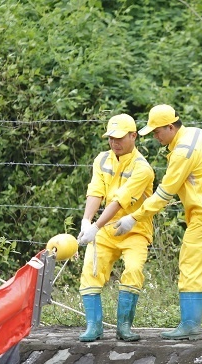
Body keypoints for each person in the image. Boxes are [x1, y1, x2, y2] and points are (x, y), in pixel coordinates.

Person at [115, 105, 202, 340]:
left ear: (170, 126)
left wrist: (134, 217)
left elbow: (165, 194)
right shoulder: (199, 133)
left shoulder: (182, 152)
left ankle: (190, 326)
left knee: (190, 267)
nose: (156, 137)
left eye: (157, 132)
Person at [76, 114, 155, 342]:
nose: (114, 143)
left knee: (133, 270)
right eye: (111, 138)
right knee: (91, 272)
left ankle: (124, 327)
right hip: (105, 231)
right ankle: (94, 327)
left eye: (119, 138)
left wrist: (95, 226)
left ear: (133, 136)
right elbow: (96, 190)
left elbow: (120, 200)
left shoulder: (143, 168)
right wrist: (86, 221)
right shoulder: (102, 159)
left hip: (135, 229)